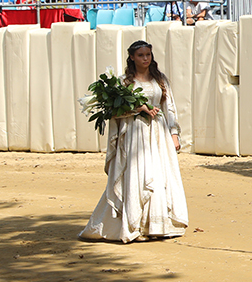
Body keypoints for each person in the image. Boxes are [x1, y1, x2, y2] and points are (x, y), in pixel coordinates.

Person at [80, 42, 187, 242]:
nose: (145, 58)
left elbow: (169, 107)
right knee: (137, 174)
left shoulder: (160, 79)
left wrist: (174, 134)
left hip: (158, 132)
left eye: (148, 54)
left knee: (157, 174)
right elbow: (114, 112)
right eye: (140, 55)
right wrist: (139, 109)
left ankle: (156, 225)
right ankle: (134, 224)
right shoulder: (124, 83)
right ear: (132, 57)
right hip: (135, 134)